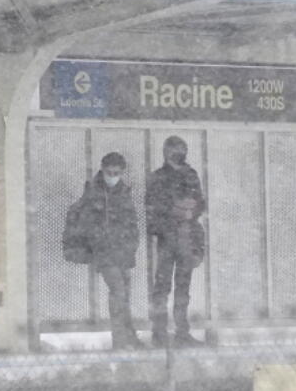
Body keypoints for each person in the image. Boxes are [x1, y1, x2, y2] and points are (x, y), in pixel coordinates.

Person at [146, 135, 207, 347]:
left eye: (181, 149)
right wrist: (173, 211)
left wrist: (191, 212)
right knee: (162, 287)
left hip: (186, 236)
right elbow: (152, 209)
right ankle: (159, 333)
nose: (178, 154)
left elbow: (200, 202)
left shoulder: (191, 175)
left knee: (183, 287)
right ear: (165, 152)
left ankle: (182, 332)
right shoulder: (157, 177)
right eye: (174, 150)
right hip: (167, 237)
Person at [79, 151, 143, 350]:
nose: (113, 176)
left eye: (117, 172)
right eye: (110, 172)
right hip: (106, 251)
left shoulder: (124, 190)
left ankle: (128, 336)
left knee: (124, 294)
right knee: (118, 291)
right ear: (103, 169)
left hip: (122, 251)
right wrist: (99, 243)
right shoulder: (93, 190)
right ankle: (120, 340)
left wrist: (131, 244)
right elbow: (87, 221)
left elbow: (132, 221)